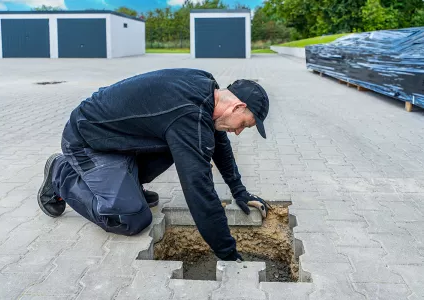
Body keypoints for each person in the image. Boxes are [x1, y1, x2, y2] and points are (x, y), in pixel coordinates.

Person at [37, 68, 270, 261]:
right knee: (133, 217)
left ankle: (129, 186)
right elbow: (198, 189)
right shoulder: (188, 114)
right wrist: (227, 253)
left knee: (191, 143)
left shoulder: (208, 88)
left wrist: (239, 190)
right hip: (87, 142)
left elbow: (219, 143)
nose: (238, 132)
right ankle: (62, 173)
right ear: (237, 106)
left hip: (118, 139)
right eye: (244, 124)